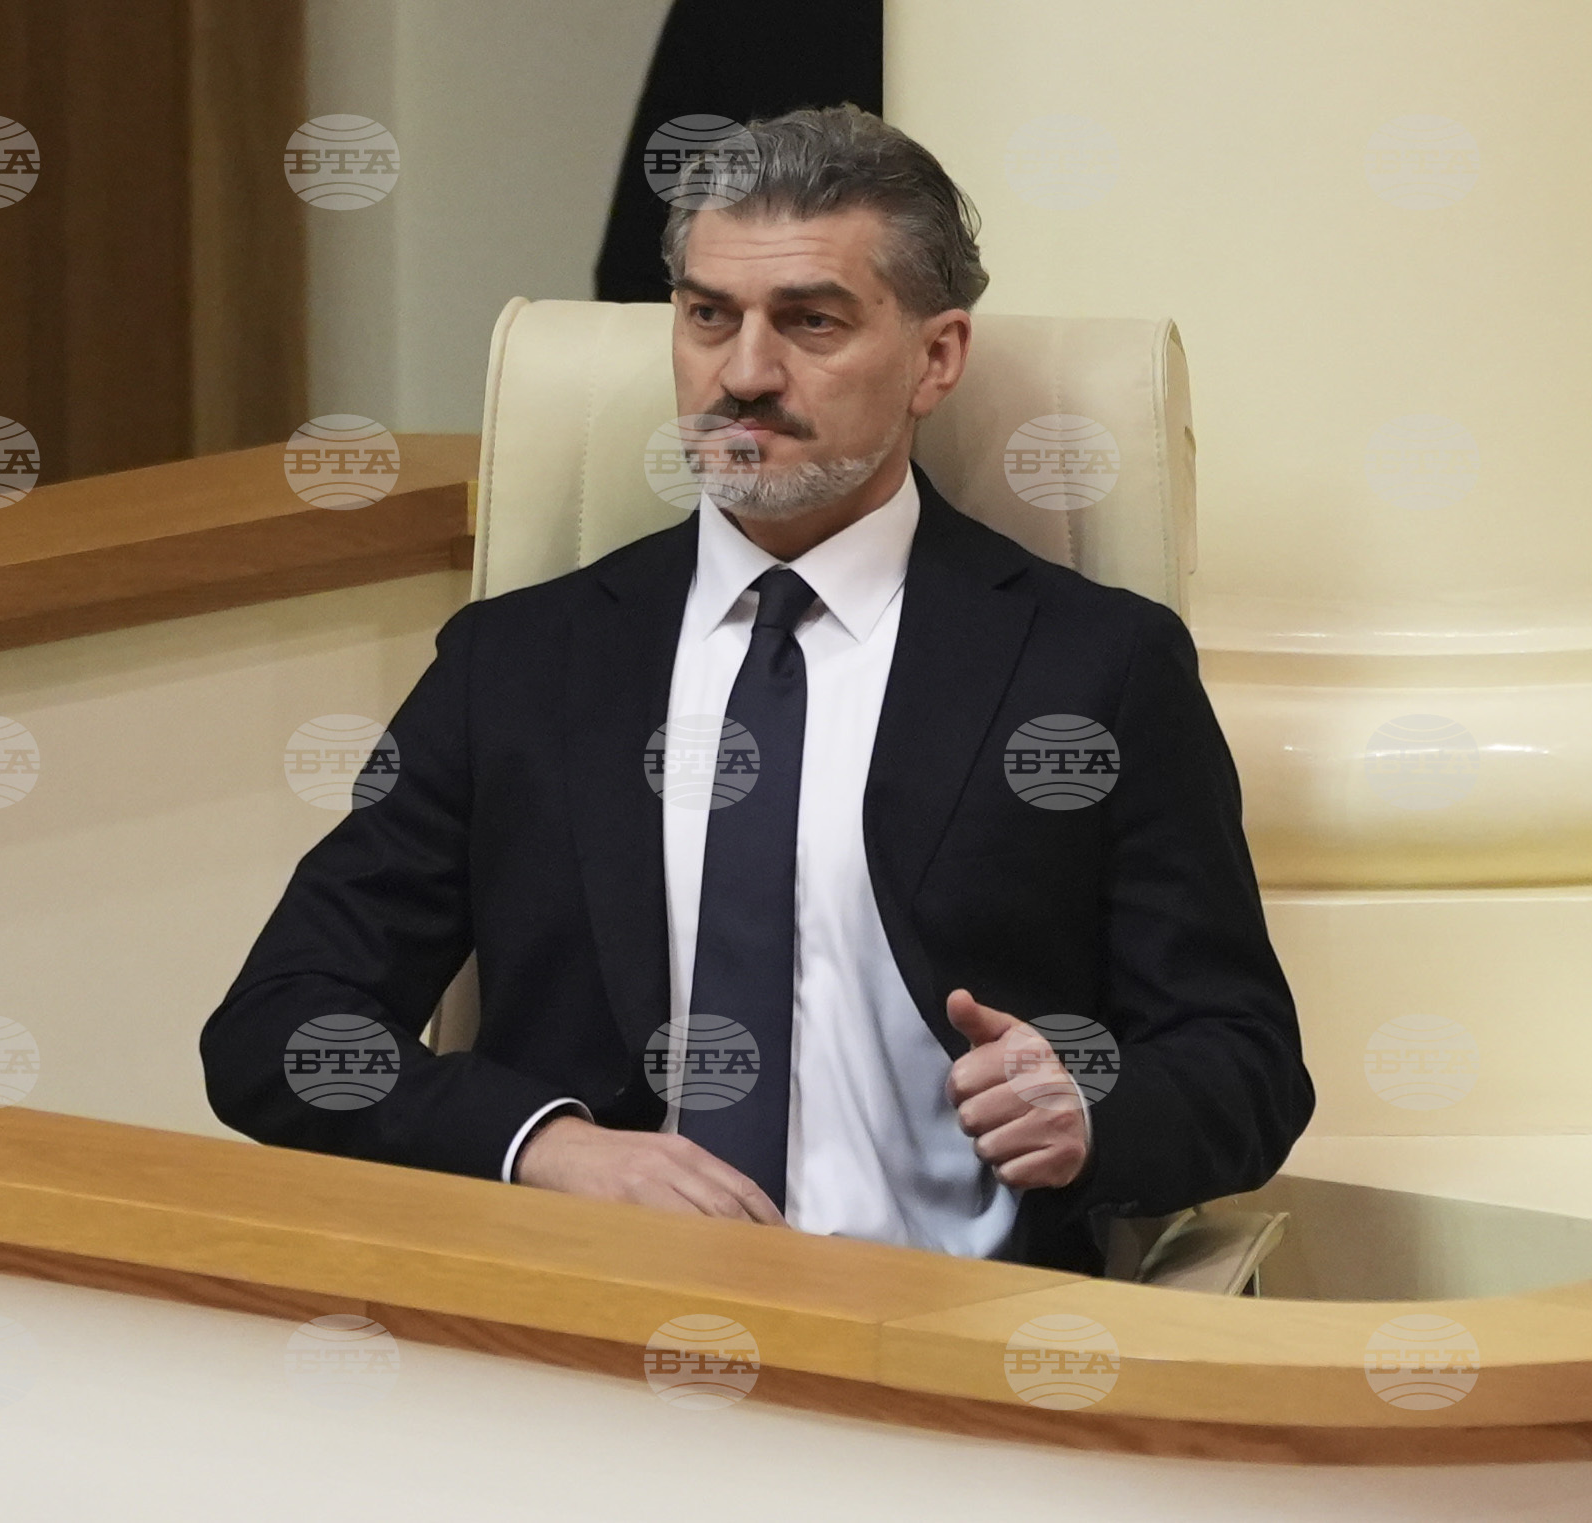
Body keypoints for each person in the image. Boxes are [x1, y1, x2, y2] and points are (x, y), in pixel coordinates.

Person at [201, 104, 1313, 1275]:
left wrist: (1089, 1104)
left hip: (948, 1321)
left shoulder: (1093, 664)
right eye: (707, 316)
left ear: (936, 357)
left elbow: (1242, 1066)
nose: (741, 373)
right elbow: (280, 1028)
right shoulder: (519, 663)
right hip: (594, 1309)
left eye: (810, 321)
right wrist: (548, 1145)